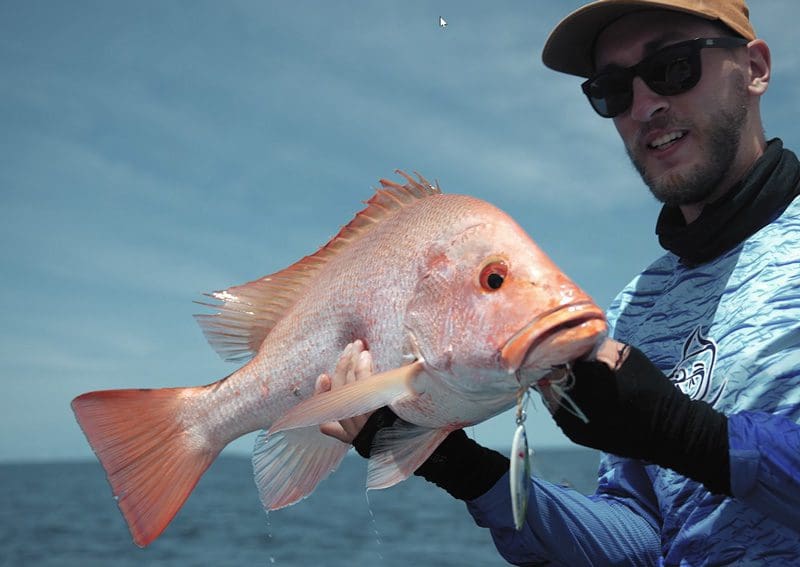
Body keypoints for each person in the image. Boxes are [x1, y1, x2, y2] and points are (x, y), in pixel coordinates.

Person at [316, 1, 800, 564]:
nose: (644, 105)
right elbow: (643, 542)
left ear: (755, 68)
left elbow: (686, 441)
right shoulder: (636, 307)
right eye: (613, 89)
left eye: (673, 66)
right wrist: (460, 467)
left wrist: (688, 436)